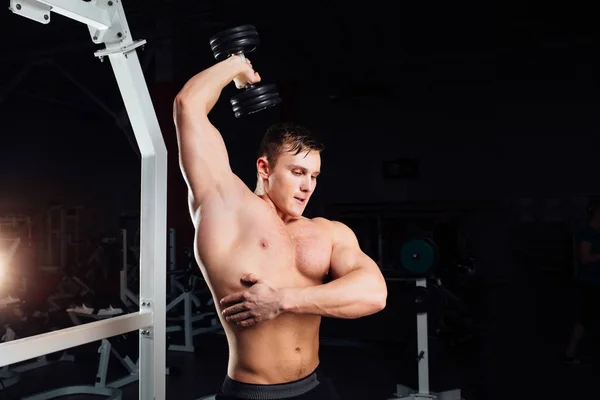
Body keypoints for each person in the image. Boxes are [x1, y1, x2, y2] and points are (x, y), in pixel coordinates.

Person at [173, 55, 388, 399]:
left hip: (314, 388)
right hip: (254, 393)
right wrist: (237, 66)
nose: (308, 186)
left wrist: (282, 301)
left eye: (314, 176)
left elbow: (374, 294)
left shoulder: (328, 232)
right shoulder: (227, 207)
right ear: (264, 168)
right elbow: (188, 106)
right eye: (298, 173)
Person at [564, 197, 600, 364]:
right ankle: (570, 352)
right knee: (585, 317)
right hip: (592, 282)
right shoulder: (588, 233)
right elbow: (584, 258)